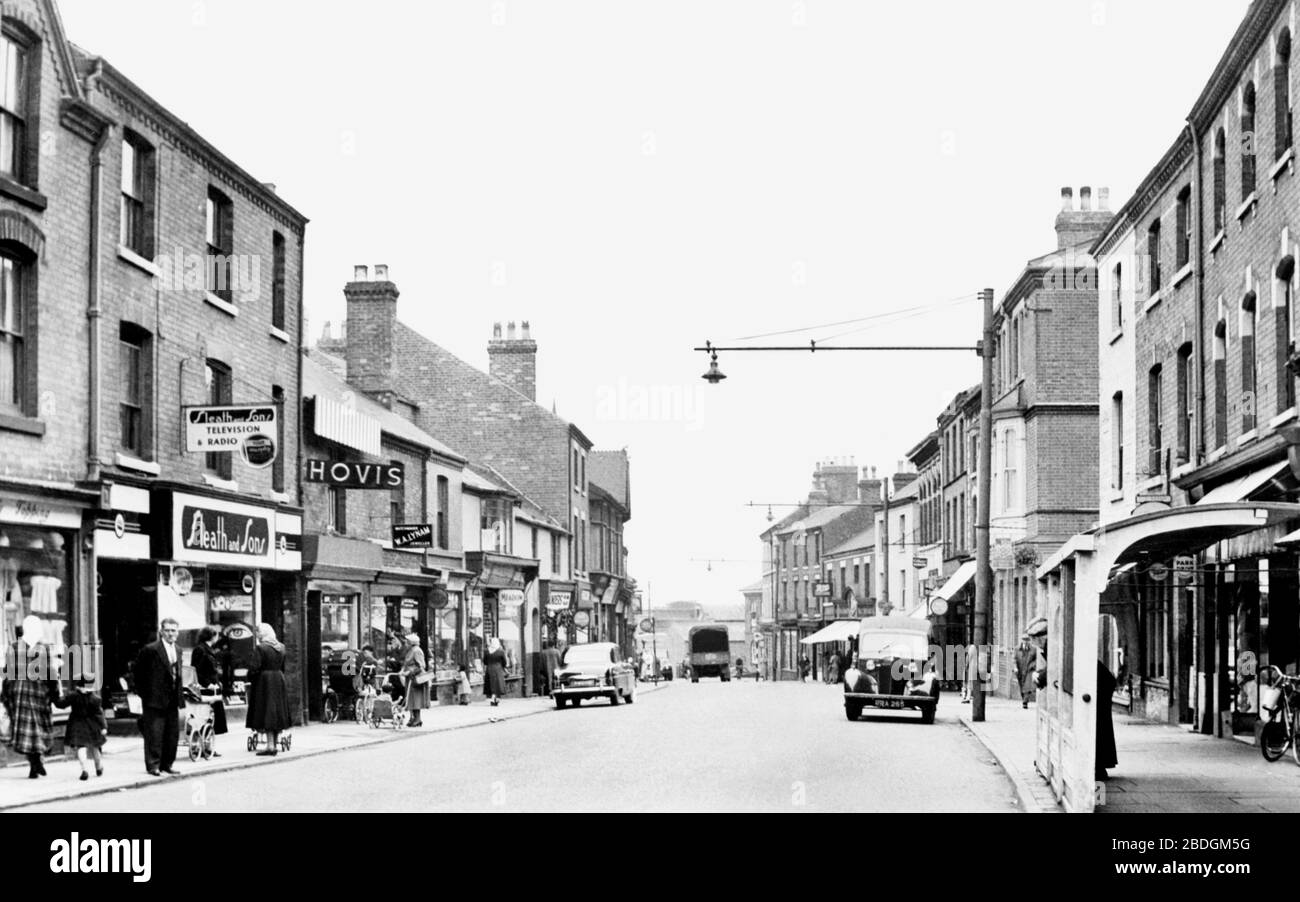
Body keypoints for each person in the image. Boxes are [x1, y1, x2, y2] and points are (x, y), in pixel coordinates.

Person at [2, 616, 60, 779]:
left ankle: (34, 766)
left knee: (25, 733)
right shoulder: (44, 649)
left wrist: (5, 695)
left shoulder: (14, 648)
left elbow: (7, 673)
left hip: (18, 694)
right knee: (37, 731)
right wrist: (55, 694)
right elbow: (51, 675)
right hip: (39, 693)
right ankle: (36, 762)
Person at [134, 617, 185, 776]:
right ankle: (153, 765)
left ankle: (167, 764)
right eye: (168, 630)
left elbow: (177, 673)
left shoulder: (178, 650)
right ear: (161, 632)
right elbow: (138, 673)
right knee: (154, 734)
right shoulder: (151, 649)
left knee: (171, 734)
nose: (171, 634)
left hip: (172, 698)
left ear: (177, 632)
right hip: (154, 699)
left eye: (173, 630)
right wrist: (145, 695)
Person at [246, 623, 292, 756]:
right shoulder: (281, 647)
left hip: (264, 682)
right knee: (276, 712)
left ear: (264, 633)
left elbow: (254, 668)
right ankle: (274, 743)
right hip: (278, 680)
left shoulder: (261, 648)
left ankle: (270, 746)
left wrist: (250, 677)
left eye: (259, 632)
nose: (258, 635)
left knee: (266, 711)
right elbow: (283, 666)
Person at [57, 676, 107, 780]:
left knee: (81, 747)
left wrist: (56, 695)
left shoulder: (73, 696)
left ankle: (84, 770)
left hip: (77, 723)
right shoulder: (95, 699)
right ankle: (98, 767)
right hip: (92, 725)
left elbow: (61, 704)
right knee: (95, 747)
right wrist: (103, 727)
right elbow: (99, 714)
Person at [191, 626, 228, 753]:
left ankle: (207, 745)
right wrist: (208, 684)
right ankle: (203, 746)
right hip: (207, 689)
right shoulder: (200, 650)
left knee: (212, 718)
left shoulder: (207, 649)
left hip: (213, 688)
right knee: (205, 717)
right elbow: (196, 671)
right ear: (212, 636)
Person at [401, 630, 430, 727]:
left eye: (406, 641)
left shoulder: (416, 651)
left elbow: (421, 665)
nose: (405, 643)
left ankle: (417, 719)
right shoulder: (411, 650)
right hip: (410, 679)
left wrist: (410, 672)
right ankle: (413, 718)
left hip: (415, 679)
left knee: (415, 699)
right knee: (410, 698)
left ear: (411, 642)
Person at [1096, 659, 1118, 780]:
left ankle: (1099, 769)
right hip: (1100, 700)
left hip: (1099, 701)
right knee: (1102, 734)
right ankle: (1100, 768)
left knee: (1099, 734)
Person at [1014, 634, 1038, 709]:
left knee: (1027, 685)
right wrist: (1015, 667)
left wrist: (1033, 665)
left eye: (1027, 640)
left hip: (1029, 669)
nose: (1026, 641)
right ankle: (1024, 698)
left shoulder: (1034, 649)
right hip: (1020, 669)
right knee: (1021, 685)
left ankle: (1025, 701)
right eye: (1024, 640)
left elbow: (1037, 659)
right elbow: (1014, 659)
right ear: (1021, 640)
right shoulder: (1017, 649)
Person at [483, 636, 508, 707]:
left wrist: (489, 663)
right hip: (498, 669)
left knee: (490, 683)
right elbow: (504, 662)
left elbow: (484, 661)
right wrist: (502, 666)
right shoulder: (501, 651)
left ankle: (492, 697)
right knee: (498, 684)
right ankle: (496, 698)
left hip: (489, 668)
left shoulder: (487, 651)